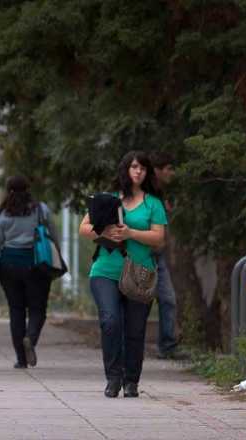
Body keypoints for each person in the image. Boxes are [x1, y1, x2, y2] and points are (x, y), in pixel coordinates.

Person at [79, 151, 166, 398]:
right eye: (134, 167)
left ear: (147, 173)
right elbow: (83, 228)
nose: (138, 172)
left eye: (143, 168)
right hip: (105, 271)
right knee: (110, 320)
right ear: (126, 170)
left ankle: (131, 381)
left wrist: (132, 234)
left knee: (135, 330)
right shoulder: (109, 199)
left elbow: (159, 239)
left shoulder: (153, 203)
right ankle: (113, 378)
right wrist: (105, 232)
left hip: (140, 274)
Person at [0, 177, 54, 369]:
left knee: (16, 310)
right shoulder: (40, 210)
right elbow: (52, 236)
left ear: (8, 191)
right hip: (36, 264)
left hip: (9, 265)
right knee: (37, 309)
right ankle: (30, 338)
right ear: (28, 189)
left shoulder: (2, 214)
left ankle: (21, 359)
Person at [150, 151, 183, 360]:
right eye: (169, 168)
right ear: (157, 170)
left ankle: (168, 346)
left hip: (157, 255)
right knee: (137, 301)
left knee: (168, 298)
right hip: (143, 254)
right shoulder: (145, 193)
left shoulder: (161, 194)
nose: (172, 173)